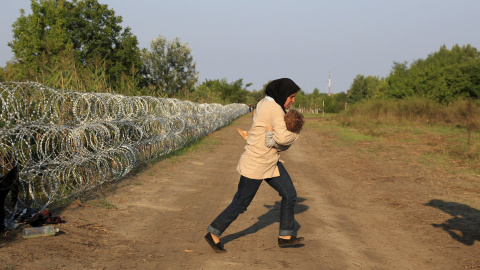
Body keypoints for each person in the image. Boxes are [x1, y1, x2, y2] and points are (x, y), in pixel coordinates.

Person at [205, 78, 304, 253]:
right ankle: (213, 232)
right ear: (282, 94)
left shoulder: (264, 103)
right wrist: (296, 132)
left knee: (289, 194)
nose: (293, 100)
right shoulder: (274, 109)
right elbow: (282, 138)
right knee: (241, 203)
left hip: (270, 162)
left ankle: (286, 236)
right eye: (292, 96)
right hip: (256, 163)